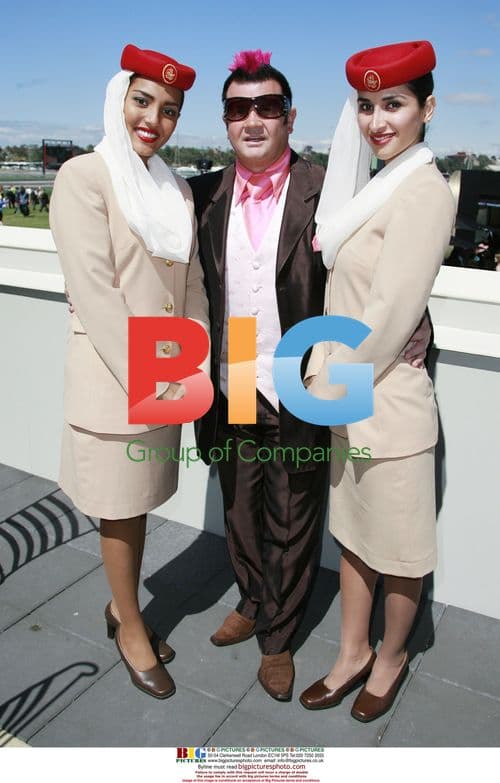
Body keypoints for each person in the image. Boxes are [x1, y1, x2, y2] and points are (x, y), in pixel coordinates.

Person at [189, 50, 431, 702]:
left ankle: (278, 637)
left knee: (294, 511)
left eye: (268, 106)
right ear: (225, 120)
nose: (254, 119)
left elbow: (380, 265)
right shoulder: (202, 191)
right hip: (236, 358)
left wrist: (419, 330)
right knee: (240, 501)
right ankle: (252, 596)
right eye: (240, 108)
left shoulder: (331, 186)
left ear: (290, 117)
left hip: (303, 361)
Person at [299, 40, 456, 722]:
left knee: (399, 549)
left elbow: (391, 316)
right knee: (356, 537)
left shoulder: (421, 190)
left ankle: (389, 657)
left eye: (392, 104)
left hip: (385, 401)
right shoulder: (374, 189)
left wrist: (325, 388)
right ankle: (351, 650)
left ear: (428, 108)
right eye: (366, 106)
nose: (377, 121)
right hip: (349, 391)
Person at [50, 44, 209, 699]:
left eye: (169, 110)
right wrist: (157, 379)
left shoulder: (174, 188)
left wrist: (189, 364)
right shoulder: (86, 176)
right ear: (120, 99)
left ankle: (124, 606)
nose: (154, 119)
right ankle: (130, 626)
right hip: (120, 380)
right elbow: (95, 291)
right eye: (143, 101)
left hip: (164, 375)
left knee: (138, 505)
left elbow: (192, 285)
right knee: (119, 509)